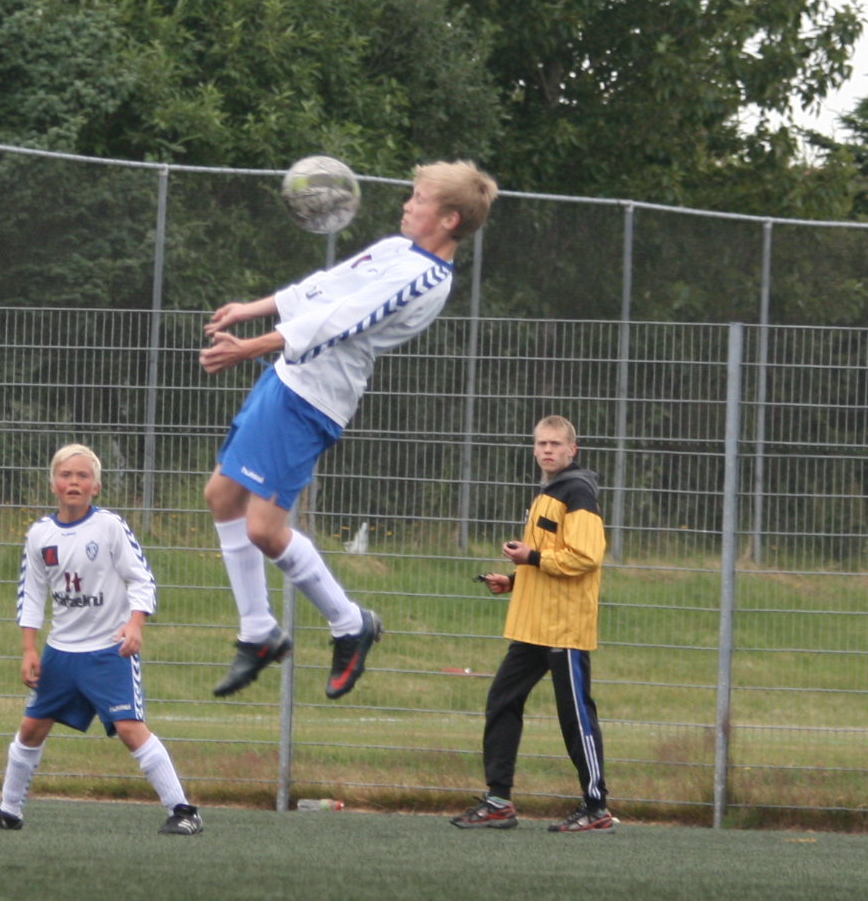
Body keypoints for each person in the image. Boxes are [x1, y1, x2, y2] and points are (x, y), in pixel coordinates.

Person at [199, 160, 499, 703]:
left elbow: (337, 322)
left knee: (264, 529)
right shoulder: (397, 250)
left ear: (450, 219)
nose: (407, 204)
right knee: (222, 495)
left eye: (419, 198)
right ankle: (259, 631)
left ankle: (349, 623)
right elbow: (322, 290)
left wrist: (249, 346)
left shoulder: (425, 278)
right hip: (286, 380)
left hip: (311, 399)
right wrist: (250, 310)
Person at [0, 444, 201, 836]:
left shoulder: (109, 527)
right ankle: (8, 811)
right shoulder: (40, 534)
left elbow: (141, 579)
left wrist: (135, 624)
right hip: (61, 653)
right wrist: (29, 649)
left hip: (109, 651)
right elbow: (31, 594)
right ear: (53, 484)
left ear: (96, 486)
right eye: (66, 475)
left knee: (129, 728)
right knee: (31, 728)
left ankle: (184, 811)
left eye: (82, 476)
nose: (73, 482)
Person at [456, 416, 615, 832]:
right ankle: (498, 801)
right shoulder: (548, 491)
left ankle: (596, 808)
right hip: (533, 625)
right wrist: (513, 580)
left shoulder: (578, 492)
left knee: (575, 716)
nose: (547, 450)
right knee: (502, 700)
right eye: (541, 443)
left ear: (572, 450)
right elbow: (548, 555)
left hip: (564, 626)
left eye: (555, 444)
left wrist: (531, 558)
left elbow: (585, 557)